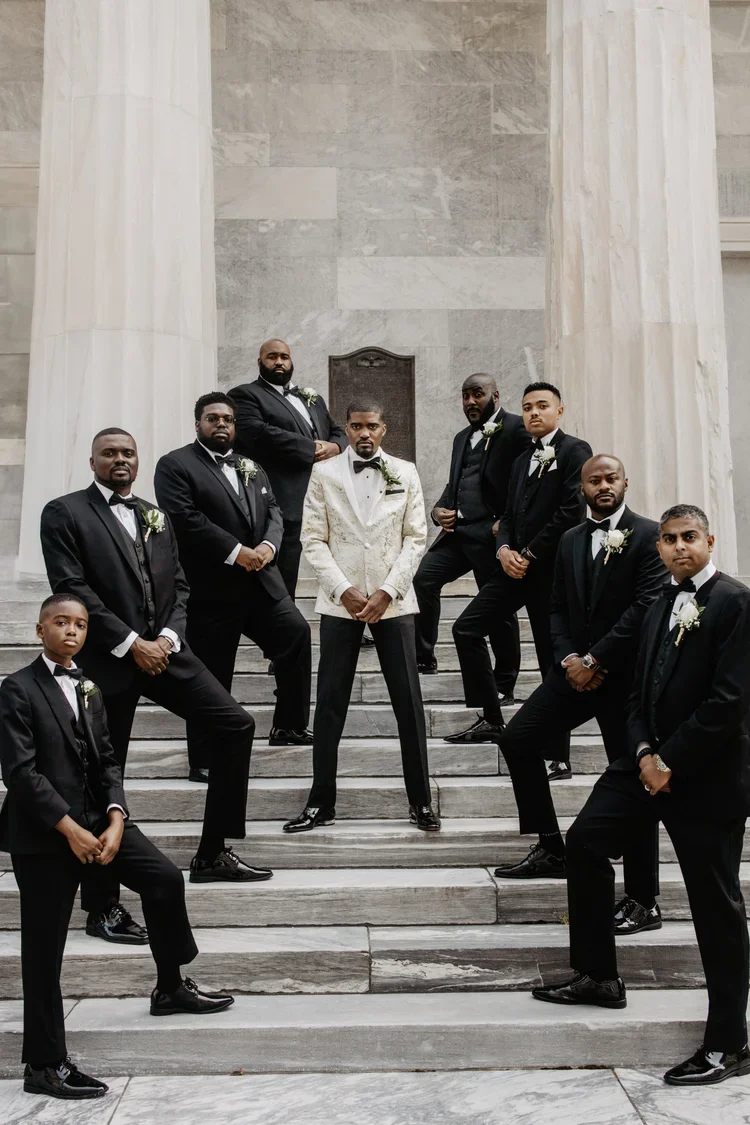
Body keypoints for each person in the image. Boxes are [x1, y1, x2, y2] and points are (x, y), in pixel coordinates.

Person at [533, 506, 750, 1088]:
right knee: (583, 844)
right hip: (644, 761)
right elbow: (634, 693)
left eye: (690, 538)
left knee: (715, 905)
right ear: (661, 549)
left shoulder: (736, 602)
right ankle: (599, 975)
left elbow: (729, 703)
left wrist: (672, 760)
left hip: (705, 777)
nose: (679, 547)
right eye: (671, 540)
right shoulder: (659, 602)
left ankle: (729, 1042)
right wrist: (646, 753)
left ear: (709, 540)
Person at [40, 428, 272, 946]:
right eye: (110, 453)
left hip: (166, 651)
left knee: (236, 724)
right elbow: (71, 587)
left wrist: (166, 636)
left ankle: (212, 853)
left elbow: (179, 584)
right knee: (99, 774)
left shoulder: (155, 514)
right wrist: (128, 642)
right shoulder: (64, 512)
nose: (120, 460)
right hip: (106, 660)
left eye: (128, 453)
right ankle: (102, 907)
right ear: (93, 460)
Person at [0, 594, 235, 1101]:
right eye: (60, 623)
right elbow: (22, 774)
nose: (72, 632)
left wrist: (114, 816)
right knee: (44, 950)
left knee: (165, 879)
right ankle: (43, 1064)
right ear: (40, 630)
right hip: (44, 836)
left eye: (80, 625)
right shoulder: (16, 689)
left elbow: (108, 760)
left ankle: (170, 987)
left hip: (99, 822)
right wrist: (71, 830)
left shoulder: (90, 685)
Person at [494, 456, 665, 936]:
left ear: (625, 483)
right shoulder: (570, 539)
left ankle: (643, 899)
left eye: (612, 478)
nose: (604, 485)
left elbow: (644, 607)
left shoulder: (650, 536)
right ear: (583, 488)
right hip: (573, 674)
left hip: (624, 682)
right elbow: (555, 608)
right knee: (519, 739)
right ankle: (551, 846)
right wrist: (569, 658)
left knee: (633, 782)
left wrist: (596, 660)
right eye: (595, 480)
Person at [283, 400, 440, 833]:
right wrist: (344, 590)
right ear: (346, 430)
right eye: (356, 426)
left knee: (408, 704)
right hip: (340, 604)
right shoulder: (325, 473)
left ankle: (421, 802)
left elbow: (416, 538)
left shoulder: (405, 472)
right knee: (329, 705)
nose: (364, 433)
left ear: (384, 429)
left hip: (395, 604)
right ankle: (320, 804)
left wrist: (388, 591)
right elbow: (313, 539)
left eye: (372, 425)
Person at [154, 393, 313, 782]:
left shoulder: (250, 466)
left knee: (296, 635)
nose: (221, 424)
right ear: (198, 425)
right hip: (211, 591)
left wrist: (268, 546)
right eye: (212, 419)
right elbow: (185, 520)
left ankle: (288, 725)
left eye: (227, 419)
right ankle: (205, 759)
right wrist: (236, 552)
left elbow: (273, 510)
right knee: (210, 674)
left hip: (262, 584)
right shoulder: (175, 465)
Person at [446, 382, 591, 763]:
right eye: (527, 407)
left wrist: (528, 553)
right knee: (466, 628)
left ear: (559, 411)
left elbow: (570, 514)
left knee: (550, 660)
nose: (533, 413)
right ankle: (492, 718)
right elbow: (508, 515)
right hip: (513, 569)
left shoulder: (575, 451)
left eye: (542, 406)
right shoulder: (521, 458)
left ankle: (558, 756)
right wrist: (504, 549)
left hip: (551, 575)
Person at [413, 372, 532, 703]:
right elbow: (457, 483)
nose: (469, 402)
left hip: (492, 538)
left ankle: (504, 683)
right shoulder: (461, 437)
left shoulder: (516, 429)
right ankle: (424, 657)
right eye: (465, 396)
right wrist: (438, 510)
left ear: (495, 396)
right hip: (457, 534)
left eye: (477, 394)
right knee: (423, 579)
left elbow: (525, 481)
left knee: (497, 612)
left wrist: (505, 523)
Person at [230, 338, 347, 599]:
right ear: (259, 362)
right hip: (284, 497)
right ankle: (283, 627)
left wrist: (337, 447)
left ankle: (346, 624)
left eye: (284, 356)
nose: (279, 362)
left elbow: (337, 429)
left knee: (340, 564)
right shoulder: (244, 395)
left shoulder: (311, 398)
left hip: (325, 495)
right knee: (285, 569)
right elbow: (260, 434)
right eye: (272, 357)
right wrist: (313, 449)